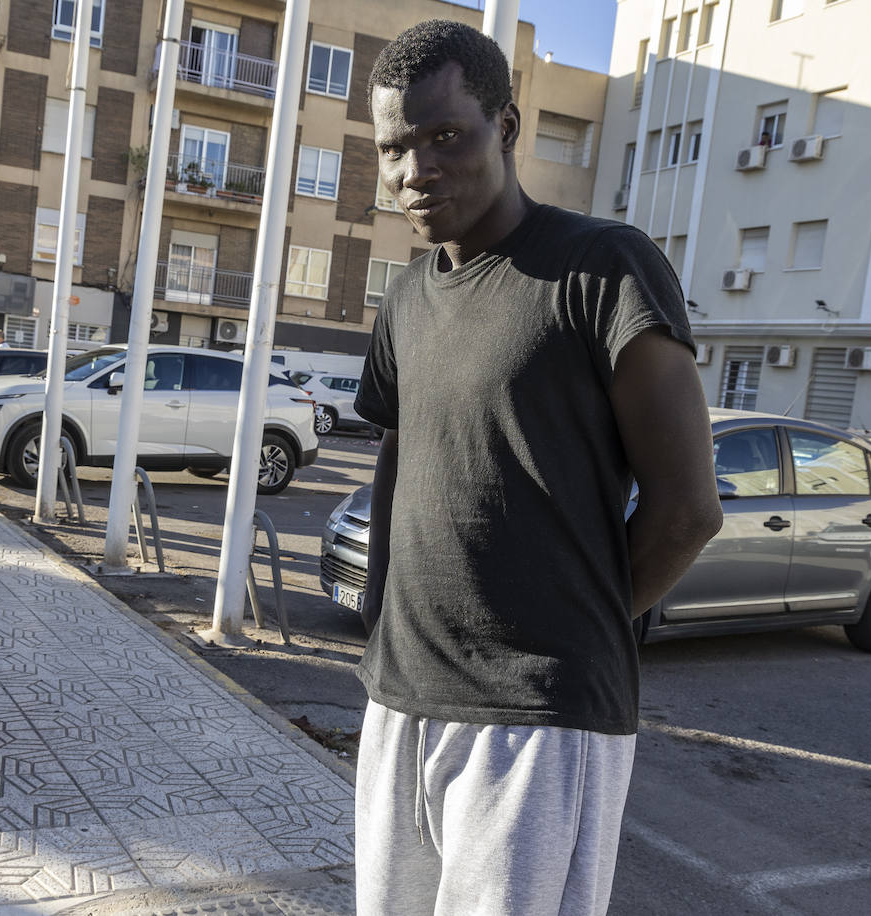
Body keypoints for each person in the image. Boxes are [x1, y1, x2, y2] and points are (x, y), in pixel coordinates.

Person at [353, 21, 722, 914]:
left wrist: (566, 630)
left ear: (508, 126)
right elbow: (398, 477)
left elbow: (687, 510)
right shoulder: (404, 299)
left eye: (447, 137)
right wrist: (377, 641)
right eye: (395, 148)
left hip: (536, 722)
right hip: (401, 701)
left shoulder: (602, 269)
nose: (417, 170)